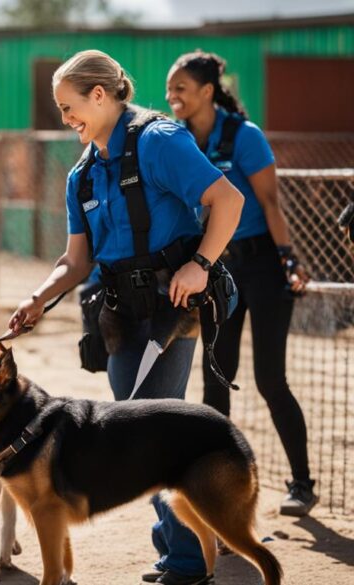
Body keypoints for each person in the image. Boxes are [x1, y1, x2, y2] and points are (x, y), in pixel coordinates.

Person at [6, 50, 244, 585]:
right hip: (117, 316)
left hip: (170, 310)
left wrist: (201, 264)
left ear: (100, 95)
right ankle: (184, 544)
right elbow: (76, 260)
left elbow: (228, 201)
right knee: (136, 434)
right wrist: (40, 298)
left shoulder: (159, 140)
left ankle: (187, 561)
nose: (65, 120)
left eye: (70, 107)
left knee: (149, 433)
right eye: (60, 111)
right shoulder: (82, 174)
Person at [167, 50, 317, 516]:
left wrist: (290, 259)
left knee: (271, 379)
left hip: (263, 266)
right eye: (170, 91)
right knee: (217, 378)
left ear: (208, 92)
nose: (172, 98)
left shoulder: (244, 136)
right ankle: (219, 487)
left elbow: (271, 202)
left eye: (181, 91)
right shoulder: (179, 140)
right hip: (216, 270)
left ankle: (302, 484)